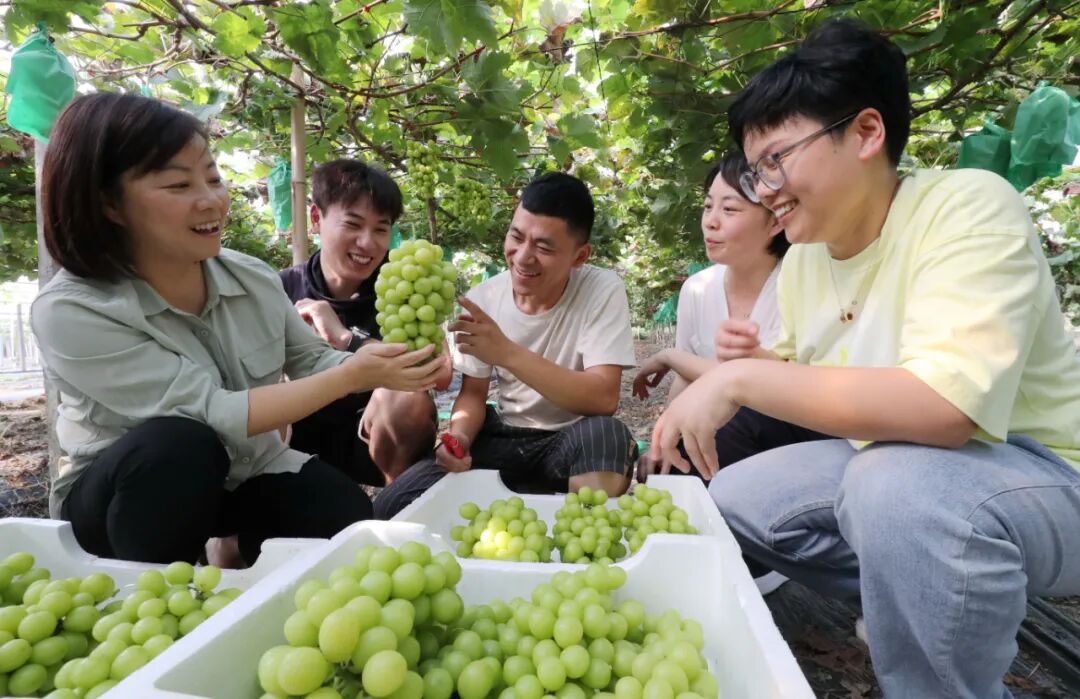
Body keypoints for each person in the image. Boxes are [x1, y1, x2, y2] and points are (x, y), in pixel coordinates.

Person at [649, 19, 1080, 698]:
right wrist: (742, 367)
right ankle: (942, 586)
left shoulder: (967, 209)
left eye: (775, 160)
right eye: (755, 168)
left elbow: (944, 410)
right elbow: (791, 384)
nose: (765, 190)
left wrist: (743, 372)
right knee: (734, 495)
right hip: (899, 465)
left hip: (1046, 475)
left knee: (899, 488)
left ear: (867, 133)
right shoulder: (806, 263)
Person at [32, 93, 443, 565]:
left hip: (244, 470)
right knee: (177, 444)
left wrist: (394, 365)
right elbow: (212, 413)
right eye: (178, 185)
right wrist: (353, 376)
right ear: (109, 203)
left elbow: (311, 358)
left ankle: (243, 578)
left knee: (339, 512)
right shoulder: (72, 311)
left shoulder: (249, 277)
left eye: (212, 177)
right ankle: (160, 594)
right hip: (129, 499)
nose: (211, 200)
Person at [374, 173, 638, 518]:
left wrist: (506, 353)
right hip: (503, 439)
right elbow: (472, 394)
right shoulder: (486, 297)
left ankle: (583, 544)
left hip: (572, 439)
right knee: (392, 505)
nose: (523, 257)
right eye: (516, 236)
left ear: (579, 256)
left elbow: (603, 398)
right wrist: (460, 439)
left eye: (543, 247)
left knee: (608, 437)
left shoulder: (601, 289)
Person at [279, 160, 451, 486]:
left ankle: (395, 500)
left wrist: (348, 340)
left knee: (406, 398)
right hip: (292, 437)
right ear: (316, 218)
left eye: (381, 229)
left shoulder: (403, 283)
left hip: (371, 440)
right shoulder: (280, 289)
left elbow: (441, 374)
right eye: (353, 224)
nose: (368, 242)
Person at [633, 152, 794, 481]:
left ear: (775, 221)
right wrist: (659, 443)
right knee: (665, 467)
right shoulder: (696, 289)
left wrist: (671, 356)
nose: (711, 221)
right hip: (718, 437)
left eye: (730, 209)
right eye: (708, 206)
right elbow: (687, 378)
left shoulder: (795, 284)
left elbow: (767, 385)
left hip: (781, 441)